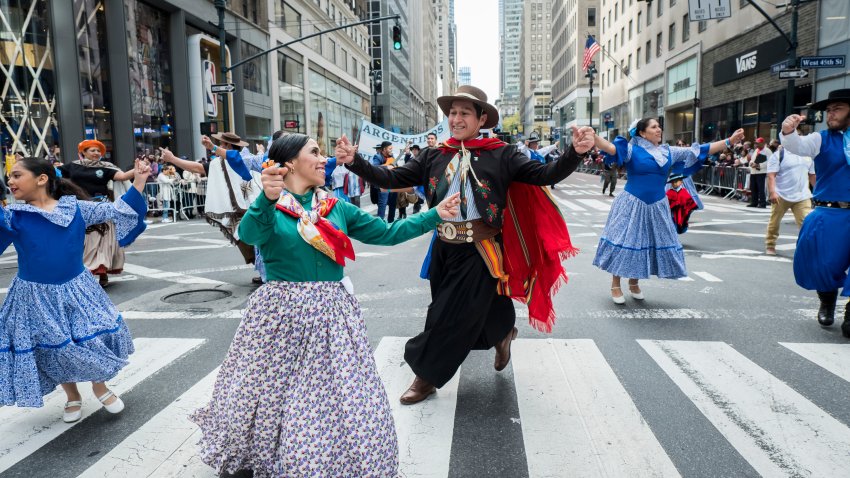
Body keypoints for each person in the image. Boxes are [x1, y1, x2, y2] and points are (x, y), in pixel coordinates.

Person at [190, 133, 461, 477]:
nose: (323, 159)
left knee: (334, 394)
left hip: (333, 313)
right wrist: (266, 199)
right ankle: (263, 455)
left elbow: (388, 233)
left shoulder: (336, 207)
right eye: (314, 153)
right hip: (280, 315)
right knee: (270, 393)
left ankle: (324, 459)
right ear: (288, 164)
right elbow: (250, 235)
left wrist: (433, 215)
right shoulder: (270, 205)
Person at [335, 85, 593, 405]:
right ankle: (502, 332)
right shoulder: (434, 155)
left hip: (481, 249)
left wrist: (575, 152)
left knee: (450, 315)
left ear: (481, 118)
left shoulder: (502, 153)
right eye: (453, 113)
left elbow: (544, 174)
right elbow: (391, 179)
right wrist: (354, 162)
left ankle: (426, 376)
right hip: (443, 247)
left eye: (464, 113)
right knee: (455, 308)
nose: (456, 119)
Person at [0, 157, 148, 421]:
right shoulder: (13, 217)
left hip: (77, 287)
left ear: (42, 179)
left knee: (89, 336)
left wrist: (139, 180)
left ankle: (100, 386)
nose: (10, 181)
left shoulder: (75, 209)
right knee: (53, 345)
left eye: (17, 175)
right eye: (9, 177)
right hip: (34, 295)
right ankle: (72, 396)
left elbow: (118, 212)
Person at [592, 118, 744, 304]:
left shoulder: (668, 151)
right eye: (654, 127)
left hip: (657, 204)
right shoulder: (632, 149)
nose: (659, 129)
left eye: (659, 126)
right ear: (642, 133)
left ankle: (634, 282)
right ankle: (616, 284)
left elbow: (700, 150)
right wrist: (592, 136)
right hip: (632, 203)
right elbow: (611, 149)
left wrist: (729, 141)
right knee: (625, 239)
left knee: (647, 242)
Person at [779, 88, 850, 336]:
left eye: (837, 108)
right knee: (825, 264)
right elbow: (797, 145)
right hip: (829, 213)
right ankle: (827, 300)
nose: (831, 114)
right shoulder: (821, 139)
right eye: (829, 110)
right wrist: (788, 130)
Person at [60, 140, 137, 287]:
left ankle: (102, 272)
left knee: (102, 240)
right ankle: (82, 271)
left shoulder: (106, 167)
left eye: (98, 151)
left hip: (101, 208)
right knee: (82, 241)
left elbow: (123, 176)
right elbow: (55, 175)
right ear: (83, 152)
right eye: (92, 150)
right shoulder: (72, 166)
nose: (96, 153)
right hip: (79, 208)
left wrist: (138, 169)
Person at [764, 140, 815, 256]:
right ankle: (770, 244)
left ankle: (806, 248)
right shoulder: (778, 155)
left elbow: (812, 175)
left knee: (806, 223)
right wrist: (772, 192)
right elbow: (771, 175)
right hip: (781, 195)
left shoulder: (808, 156)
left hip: (802, 196)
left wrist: (818, 192)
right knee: (775, 221)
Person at [746, 137, 769, 208]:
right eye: (756, 143)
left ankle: (762, 203)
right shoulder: (756, 150)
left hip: (761, 172)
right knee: (753, 188)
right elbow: (752, 159)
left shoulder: (767, 151)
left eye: (758, 143)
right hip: (754, 172)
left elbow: (770, 162)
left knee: (760, 188)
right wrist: (751, 163)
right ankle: (754, 202)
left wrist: (759, 165)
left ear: (763, 143)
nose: (756, 144)